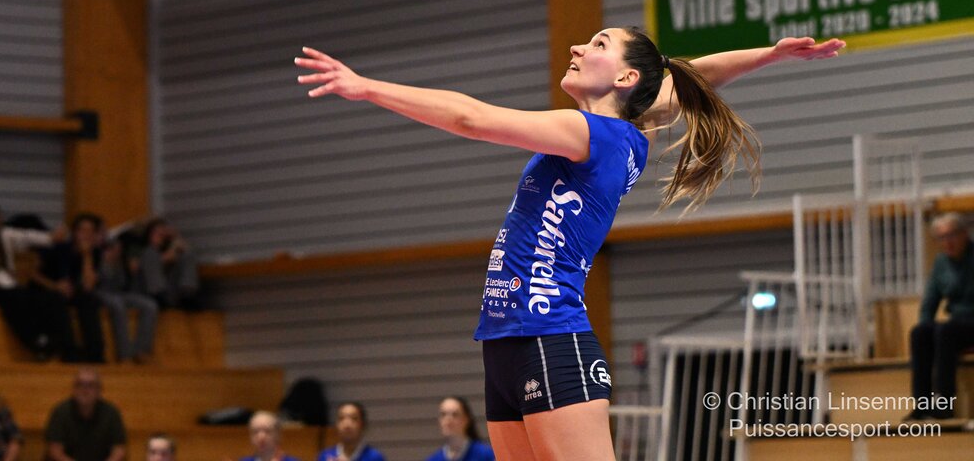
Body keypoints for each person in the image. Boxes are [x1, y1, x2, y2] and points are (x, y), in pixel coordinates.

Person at [296, 33, 844, 461]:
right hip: (505, 341)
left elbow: (471, 119)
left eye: (598, 43)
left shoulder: (596, 135)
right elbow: (692, 76)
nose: (579, 47)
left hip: (550, 336)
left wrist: (366, 88)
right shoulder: (633, 126)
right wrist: (770, 54)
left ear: (626, 77)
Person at [0, 200, 73, 360]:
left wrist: (49, 238)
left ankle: (62, 344)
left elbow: (26, 237)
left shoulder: (4, 236)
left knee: (50, 298)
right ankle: (34, 340)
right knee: (15, 299)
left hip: (10, 287)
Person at [906, 212, 974, 421]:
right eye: (942, 237)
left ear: (965, 234)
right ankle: (922, 405)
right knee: (920, 332)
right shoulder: (941, 263)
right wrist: (926, 328)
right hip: (957, 324)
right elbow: (930, 302)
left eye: (952, 235)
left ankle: (944, 404)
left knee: (945, 331)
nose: (947, 241)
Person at [37, 214, 109, 364]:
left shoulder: (95, 253)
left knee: (89, 300)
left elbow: (88, 285)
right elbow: (32, 274)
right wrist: (55, 285)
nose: (86, 235)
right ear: (74, 232)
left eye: (90, 231)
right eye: (82, 230)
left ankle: (95, 353)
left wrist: (87, 256)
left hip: (73, 290)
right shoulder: (60, 248)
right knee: (57, 300)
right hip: (47, 287)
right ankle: (69, 351)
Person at [97, 229, 158, 363]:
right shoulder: (96, 254)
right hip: (100, 292)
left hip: (118, 293)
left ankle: (141, 350)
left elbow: (122, 283)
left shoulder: (121, 259)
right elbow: (99, 281)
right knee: (117, 305)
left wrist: (117, 264)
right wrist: (107, 263)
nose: (118, 250)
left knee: (150, 305)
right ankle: (125, 354)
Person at [43, 368, 127, 461]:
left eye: (90, 385)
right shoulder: (60, 412)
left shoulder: (111, 413)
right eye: (80, 385)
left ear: (99, 390)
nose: (85, 390)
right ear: (73, 389)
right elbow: (54, 451)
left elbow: (119, 449)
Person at [133, 217, 201, 310]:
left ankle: (188, 293)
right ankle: (158, 295)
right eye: (157, 232)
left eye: (162, 233)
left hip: (169, 291)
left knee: (187, 255)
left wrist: (176, 236)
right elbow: (137, 267)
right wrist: (165, 258)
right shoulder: (143, 250)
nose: (160, 235)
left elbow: (185, 249)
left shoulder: (168, 247)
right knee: (151, 253)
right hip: (148, 291)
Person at [427, 397, 494, 461]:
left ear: (466, 419)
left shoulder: (487, 455)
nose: (448, 420)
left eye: (455, 414)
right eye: (443, 414)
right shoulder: (433, 459)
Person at [315, 402, 385, 461]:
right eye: (341, 418)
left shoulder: (375, 457)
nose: (347, 424)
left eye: (354, 418)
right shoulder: (325, 456)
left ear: (363, 425)